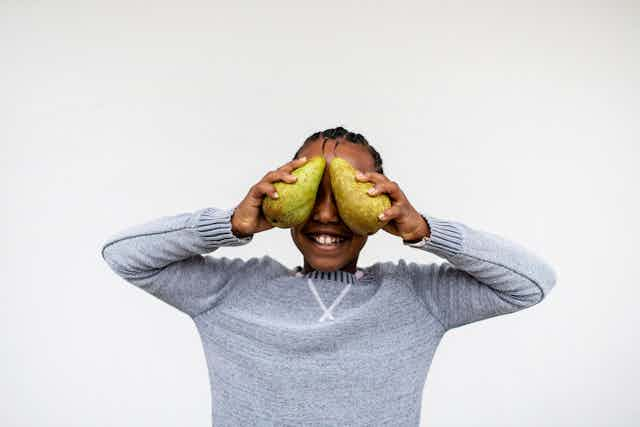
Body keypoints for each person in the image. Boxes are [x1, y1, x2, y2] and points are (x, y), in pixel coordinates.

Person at [101, 126, 557, 426]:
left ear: (382, 202)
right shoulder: (229, 291)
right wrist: (230, 225)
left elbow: (532, 283)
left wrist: (427, 232)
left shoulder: (417, 298)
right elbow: (124, 255)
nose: (325, 213)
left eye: (345, 193)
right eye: (312, 191)